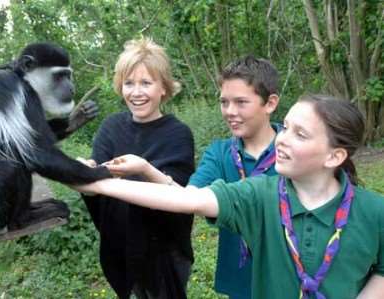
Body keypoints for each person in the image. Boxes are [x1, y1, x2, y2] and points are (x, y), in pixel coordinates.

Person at [73, 94, 384, 299]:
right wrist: (98, 182)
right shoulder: (259, 195)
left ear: (334, 156)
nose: (283, 139)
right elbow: (187, 200)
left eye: (300, 134)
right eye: (286, 127)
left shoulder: (374, 211)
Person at [102, 55, 281, 299]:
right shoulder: (219, 154)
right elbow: (187, 198)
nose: (230, 112)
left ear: (270, 103)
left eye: (241, 102)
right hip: (243, 280)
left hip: (291, 275)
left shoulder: (293, 150)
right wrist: (144, 169)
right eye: (224, 102)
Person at [80, 37, 195, 299]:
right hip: (121, 249)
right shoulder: (110, 127)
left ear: (163, 88)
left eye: (146, 83)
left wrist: (144, 168)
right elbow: (97, 190)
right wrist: (84, 172)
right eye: (129, 83)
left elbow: (180, 196)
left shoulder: (177, 134)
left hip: (165, 254)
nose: (136, 92)